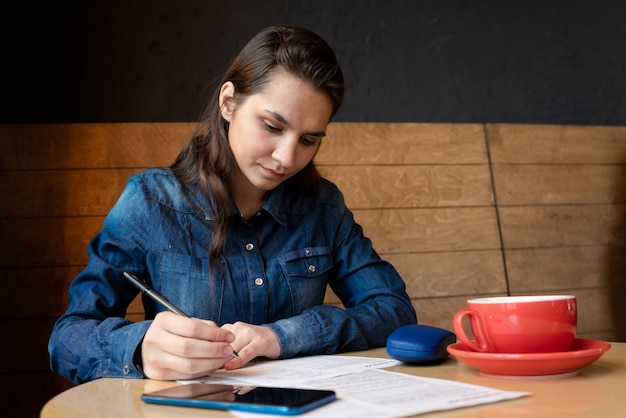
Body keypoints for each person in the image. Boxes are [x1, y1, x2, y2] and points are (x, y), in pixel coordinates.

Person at [48, 24, 417, 384]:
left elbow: (393, 311)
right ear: (229, 103)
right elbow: (68, 337)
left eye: (308, 140)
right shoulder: (150, 201)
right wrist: (141, 347)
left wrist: (283, 337)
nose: (286, 157)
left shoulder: (323, 206)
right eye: (272, 127)